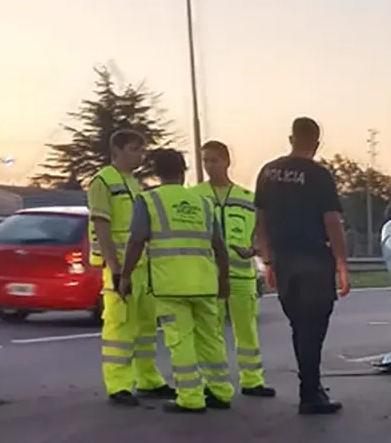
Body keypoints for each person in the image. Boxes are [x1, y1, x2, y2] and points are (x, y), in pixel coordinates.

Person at [119, 150, 234, 413]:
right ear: (184, 171)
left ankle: (190, 397)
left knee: (180, 341)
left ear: (157, 173)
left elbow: (136, 241)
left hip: (170, 285)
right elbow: (219, 246)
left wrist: (125, 275)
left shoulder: (148, 201)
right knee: (211, 339)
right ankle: (221, 392)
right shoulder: (203, 202)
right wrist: (223, 278)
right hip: (204, 282)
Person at [254, 117, 350, 415]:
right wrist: (342, 264)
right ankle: (309, 392)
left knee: (299, 326)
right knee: (314, 327)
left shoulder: (268, 172)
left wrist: (268, 260)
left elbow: (260, 222)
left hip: (283, 259)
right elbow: (331, 221)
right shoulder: (319, 174)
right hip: (313, 260)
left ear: (291, 137)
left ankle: (311, 385)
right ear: (316, 143)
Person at [86, 129, 174, 407]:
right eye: (136, 149)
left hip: (141, 267)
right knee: (120, 327)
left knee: (146, 327)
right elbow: (102, 226)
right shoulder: (103, 181)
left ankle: (148, 380)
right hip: (121, 267)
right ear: (119, 150)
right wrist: (114, 269)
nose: (140, 154)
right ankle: (119, 385)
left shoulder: (133, 184)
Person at [193, 141, 276, 398]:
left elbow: (261, 233)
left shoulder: (247, 198)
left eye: (214, 160)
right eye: (205, 160)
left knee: (246, 331)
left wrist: (253, 250)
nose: (209, 166)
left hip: (241, 274)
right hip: (208, 275)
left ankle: (252, 381)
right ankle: (212, 382)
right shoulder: (195, 196)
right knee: (209, 333)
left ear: (227, 161)